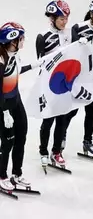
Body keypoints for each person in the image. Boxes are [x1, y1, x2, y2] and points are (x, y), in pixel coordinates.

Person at [36, 0, 86, 169]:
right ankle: (43, 151)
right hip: (49, 85)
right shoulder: (42, 37)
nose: (65, 22)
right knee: (48, 121)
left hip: (65, 84)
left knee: (62, 120)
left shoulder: (70, 34)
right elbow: (41, 64)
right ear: (53, 18)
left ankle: (56, 151)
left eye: (67, 18)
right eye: (62, 19)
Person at [63, 0, 93, 157]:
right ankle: (61, 136)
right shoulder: (78, 28)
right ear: (92, 14)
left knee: (91, 111)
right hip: (78, 77)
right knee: (72, 110)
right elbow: (68, 51)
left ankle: (87, 141)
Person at [0, 22, 43, 191]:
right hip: (3, 105)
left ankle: (16, 174)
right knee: (7, 142)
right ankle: (1, 175)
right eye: (21, 38)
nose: (23, 41)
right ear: (12, 41)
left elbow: (16, 70)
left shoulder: (14, 53)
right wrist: (4, 112)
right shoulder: (1, 60)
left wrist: (34, 65)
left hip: (16, 101)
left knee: (21, 136)